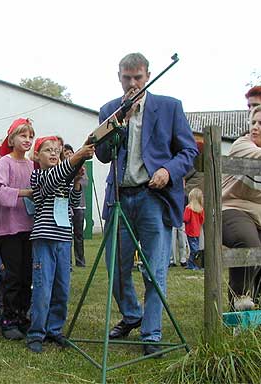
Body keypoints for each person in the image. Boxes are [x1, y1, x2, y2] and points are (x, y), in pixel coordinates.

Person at [95, 52, 197, 357]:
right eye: (127, 78)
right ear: (119, 77)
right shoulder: (109, 110)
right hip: (120, 198)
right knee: (116, 268)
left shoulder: (170, 107)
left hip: (154, 197)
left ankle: (151, 334)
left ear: (147, 76)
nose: (132, 83)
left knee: (155, 270)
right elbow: (101, 154)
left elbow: (188, 151)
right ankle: (132, 314)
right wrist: (117, 123)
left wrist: (168, 171)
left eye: (137, 77)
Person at [26, 136, 94, 353]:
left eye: (57, 150)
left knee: (62, 288)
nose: (54, 154)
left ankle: (55, 329)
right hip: (44, 239)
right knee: (43, 288)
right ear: (37, 156)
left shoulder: (64, 177)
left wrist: (75, 183)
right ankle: (36, 333)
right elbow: (51, 183)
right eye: (48, 150)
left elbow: (73, 203)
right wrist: (75, 159)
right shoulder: (38, 176)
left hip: (64, 239)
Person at [0, 118, 35, 340]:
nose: (27, 140)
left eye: (30, 136)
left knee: (27, 275)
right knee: (13, 275)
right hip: (9, 227)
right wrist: (24, 193)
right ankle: (8, 319)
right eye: (22, 136)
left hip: (29, 226)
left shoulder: (30, 165)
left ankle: (22, 316)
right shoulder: (5, 162)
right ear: (12, 139)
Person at [223, 104, 261, 309]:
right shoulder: (242, 144)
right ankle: (239, 304)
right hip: (231, 206)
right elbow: (259, 157)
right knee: (247, 241)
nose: (255, 127)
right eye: (253, 122)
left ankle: (260, 307)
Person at [63, 143, 87, 267]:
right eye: (65, 153)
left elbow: (85, 182)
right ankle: (68, 263)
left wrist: (76, 178)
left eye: (70, 152)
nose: (68, 155)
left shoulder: (80, 167)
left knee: (79, 235)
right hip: (66, 206)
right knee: (67, 235)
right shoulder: (61, 169)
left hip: (79, 206)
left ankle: (80, 261)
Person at [183, 187, 205, 270]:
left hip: (190, 231)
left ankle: (192, 264)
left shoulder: (188, 208)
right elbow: (202, 220)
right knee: (195, 249)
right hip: (197, 231)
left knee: (193, 249)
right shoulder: (201, 210)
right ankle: (193, 264)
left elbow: (185, 219)